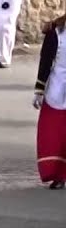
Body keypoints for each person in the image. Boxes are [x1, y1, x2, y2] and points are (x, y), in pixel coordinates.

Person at [36, 13, 66, 189]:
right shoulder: (55, 33)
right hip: (56, 87)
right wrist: (39, 90)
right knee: (53, 133)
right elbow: (45, 62)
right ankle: (57, 173)